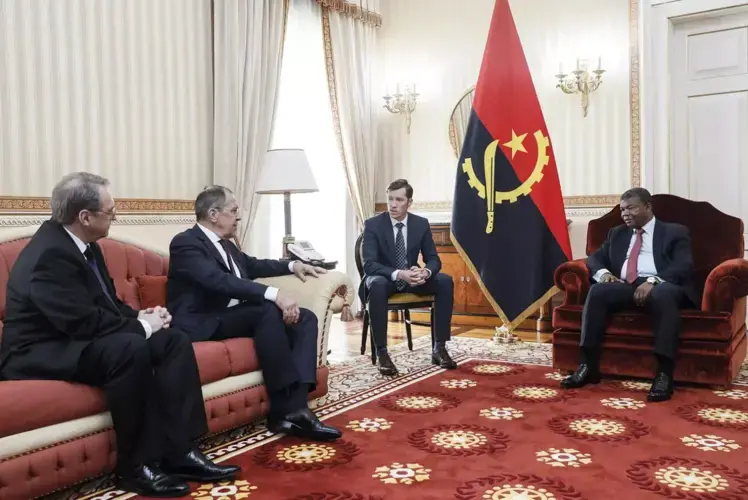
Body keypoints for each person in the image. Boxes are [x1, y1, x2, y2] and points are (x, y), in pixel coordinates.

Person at [0, 173, 239, 498]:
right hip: (39, 350)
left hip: (73, 338)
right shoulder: (49, 255)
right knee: (128, 347)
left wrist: (141, 316)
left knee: (172, 339)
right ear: (85, 216)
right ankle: (135, 467)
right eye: (110, 211)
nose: (116, 216)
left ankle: (181, 451)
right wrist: (140, 328)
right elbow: (81, 323)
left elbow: (107, 306)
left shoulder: (86, 246)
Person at [166, 185, 341, 442]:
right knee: (266, 310)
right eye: (233, 210)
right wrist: (275, 294)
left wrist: (293, 264)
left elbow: (253, 264)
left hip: (232, 316)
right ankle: (285, 410)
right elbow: (218, 281)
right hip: (202, 321)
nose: (238, 217)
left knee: (306, 318)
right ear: (214, 214)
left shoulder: (225, 245)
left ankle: (298, 406)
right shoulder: (186, 243)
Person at [560, 187, 698, 401]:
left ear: (648, 207)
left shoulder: (674, 231)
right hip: (626, 284)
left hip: (663, 284)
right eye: (622, 209)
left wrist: (653, 281)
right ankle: (588, 366)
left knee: (663, 295)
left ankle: (664, 373)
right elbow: (595, 259)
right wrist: (605, 274)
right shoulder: (617, 233)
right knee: (598, 291)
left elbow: (683, 265)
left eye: (631, 208)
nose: (625, 214)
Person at [360, 179, 457, 376]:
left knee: (444, 281)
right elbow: (369, 265)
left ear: (409, 202)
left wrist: (425, 272)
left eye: (399, 200)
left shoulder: (420, 224)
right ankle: (382, 353)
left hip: (412, 280)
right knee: (377, 285)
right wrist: (399, 273)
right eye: (390, 200)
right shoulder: (373, 225)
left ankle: (439, 347)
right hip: (384, 279)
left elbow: (433, 259)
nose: (393, 204)